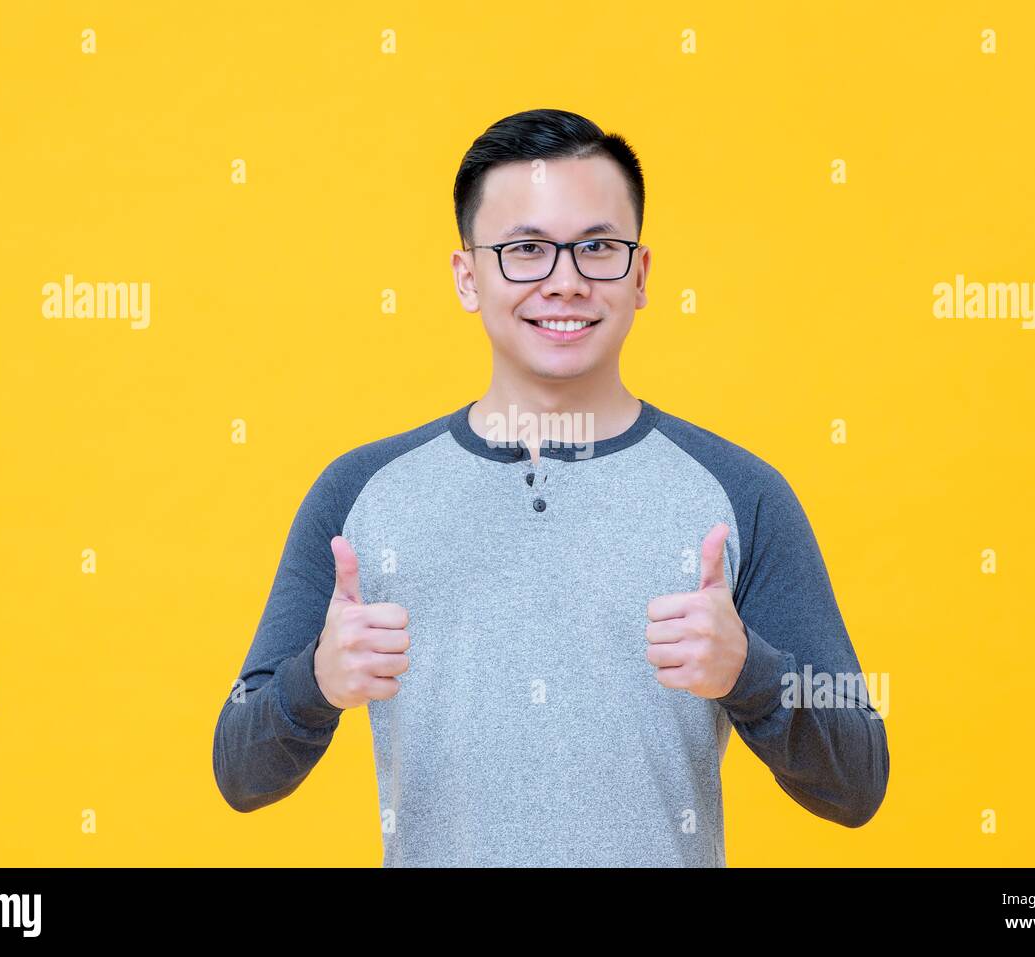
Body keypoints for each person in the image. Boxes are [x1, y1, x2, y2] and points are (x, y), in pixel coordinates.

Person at [213, 107, 889, 866]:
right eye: (527, 250)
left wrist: (751, 674)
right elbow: (239, 770)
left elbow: (858, 779)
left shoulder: (741, 492)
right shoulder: (360, 493)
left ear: (640, 276)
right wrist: (314, 681)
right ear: (468, 277)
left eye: (597, 247)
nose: (565, 282)